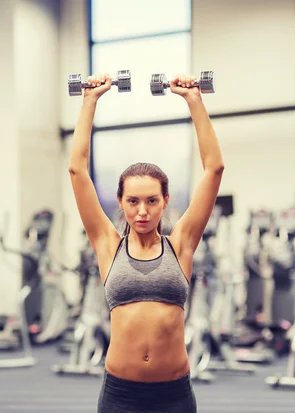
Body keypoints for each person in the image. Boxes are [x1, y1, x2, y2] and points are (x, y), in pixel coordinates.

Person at [68, 73, 224, 412]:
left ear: (165, 200)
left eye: (152, 201)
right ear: (120, 202)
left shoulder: (180, 245)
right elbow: (77, 170)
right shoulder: (108, 245)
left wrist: (194, 100)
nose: (142, 211)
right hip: (121, 395)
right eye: (133, 201)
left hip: (174, 395)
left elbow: (214, 168)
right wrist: (90, 100)